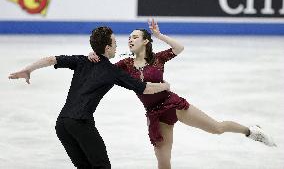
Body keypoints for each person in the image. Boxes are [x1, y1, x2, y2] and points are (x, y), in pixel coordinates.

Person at [88, 20, 276, 169]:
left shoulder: (157, 58)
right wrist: (92, 54)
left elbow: (179, 48)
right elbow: (104, 70)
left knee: (216, 128)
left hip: (174, 105)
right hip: (155, 115)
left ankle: (251, 131)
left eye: (135, 37)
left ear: (145, 41)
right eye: (129, 37)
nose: (130, 40)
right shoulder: (124, 65)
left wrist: (160, 35)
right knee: (163, 163)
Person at [8, 26, 171, 169]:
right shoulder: (112, 72)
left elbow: (51, 59)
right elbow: (145, 88)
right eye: (114, 43)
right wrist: (164, 86)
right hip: (80, 123)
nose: (116, 46)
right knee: (102, 166)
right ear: (107, 48)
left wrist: (28, 69)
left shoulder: (82, 60)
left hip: (62, 124)